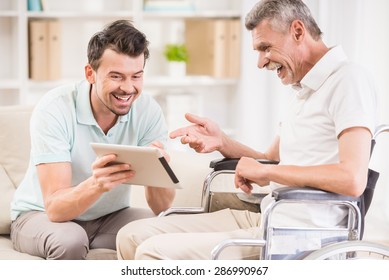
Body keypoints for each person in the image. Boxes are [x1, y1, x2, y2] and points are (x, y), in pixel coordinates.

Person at [116, 0, 378, 260]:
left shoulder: (348, 81)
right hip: (269, 216)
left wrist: (265, 171)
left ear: (298, 31)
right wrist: (222, 142)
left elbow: (352, 179)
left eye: (265, 48)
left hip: (299, 233)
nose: (260, 62)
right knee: (131, 236)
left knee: (153, 252)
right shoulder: (303, 90)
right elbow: (271, 159)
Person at [10, 20, 175, 260]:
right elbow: (55, 209)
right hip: (39, 216)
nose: (128, 88)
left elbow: (162, 208)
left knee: (166, 231)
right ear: (90, 73)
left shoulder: (148, 110)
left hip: (108, 218)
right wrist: (96, 184)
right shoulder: (55, 109)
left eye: (136, 76)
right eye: (116, 76)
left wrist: (159, 171)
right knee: (70, 240)